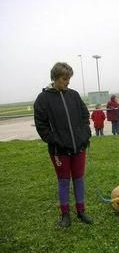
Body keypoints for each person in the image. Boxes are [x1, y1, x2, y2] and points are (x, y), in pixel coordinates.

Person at [34, 62, 93, 228]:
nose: (67, 82)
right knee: (64, 181)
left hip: (78, 147)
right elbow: (41, 126)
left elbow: (84, 115)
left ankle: (81, 211)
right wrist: (57, 141)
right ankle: (65, 214)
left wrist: (84, 135)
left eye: (69, 78)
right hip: (59, 151)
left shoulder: (73, 95)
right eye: (64, 78)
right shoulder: (43, 99)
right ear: (54, 78)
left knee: (79, 179)